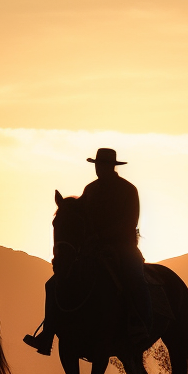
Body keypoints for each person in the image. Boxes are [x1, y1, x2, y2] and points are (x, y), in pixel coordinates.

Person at [23, 147, 152, 355]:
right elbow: (80, 214)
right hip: (93, 248)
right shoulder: (90, 190)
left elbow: (130, 223)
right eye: (97, 165)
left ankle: (141, 325)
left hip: (123, 247)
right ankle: (47, 335)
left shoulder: (128, 190)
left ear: (111, 166)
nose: (98, 169)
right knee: (54, 283)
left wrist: (101, 236)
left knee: (135, 277)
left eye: (102, 165)